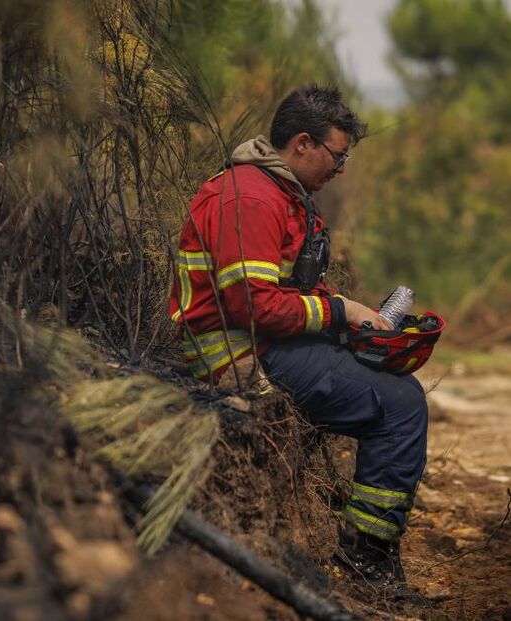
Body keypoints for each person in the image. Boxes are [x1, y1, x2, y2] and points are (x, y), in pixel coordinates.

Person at [168, 84, 428, 593]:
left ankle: (368, 554)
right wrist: (341, 310)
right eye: (338, 154)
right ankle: (367, 561)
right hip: (241, 355)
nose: (342, 167)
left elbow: (290, 288)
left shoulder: (280, 193)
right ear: (303, 143)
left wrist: (361, 323)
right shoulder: (251, 197)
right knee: (400, 406)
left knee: (390, 385)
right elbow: (252, 304)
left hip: (267, 343)